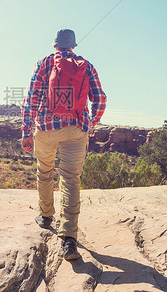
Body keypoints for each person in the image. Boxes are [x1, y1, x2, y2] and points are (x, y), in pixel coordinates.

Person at [21, 29, 107, 260]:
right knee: (70, 179)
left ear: (55, 45)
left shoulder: (44, 63)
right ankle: (69, 238)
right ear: (73, 45)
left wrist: (26, 132)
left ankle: (46, 215)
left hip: (46, 128)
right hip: (76, 129)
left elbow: (31, 99)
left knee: (45, 171)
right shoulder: (86, 65)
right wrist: (91, 123)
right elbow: (100, 99)